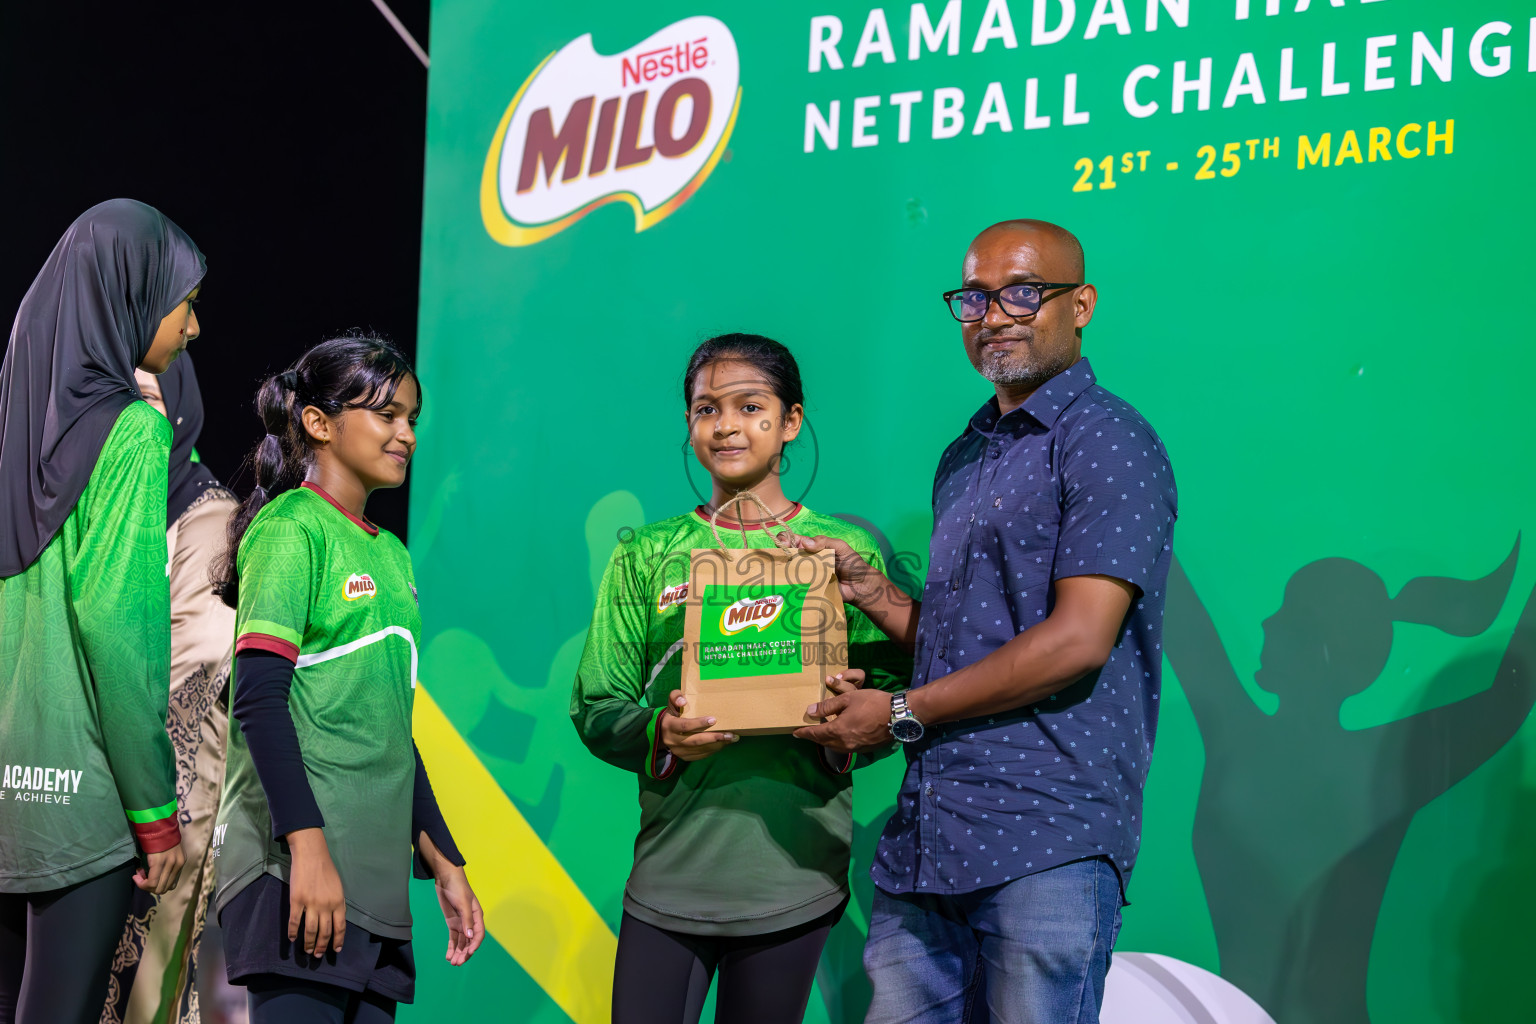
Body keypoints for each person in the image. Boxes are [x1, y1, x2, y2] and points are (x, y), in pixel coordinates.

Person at [794, 220, 1178, 1024]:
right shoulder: (965, 454)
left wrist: (897, 711)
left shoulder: (1109, 440)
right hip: (930, 841)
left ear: (1083, 304)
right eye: (974, 295)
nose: (994, 313)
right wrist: (881, 598)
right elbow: (969, 640)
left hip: (1047, 838)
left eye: (1023, 292)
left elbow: (1077, 640)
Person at [570, 334, 910, 1024]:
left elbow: (893, 705)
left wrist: (846, 730)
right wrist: (662, 732)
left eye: (749, 406)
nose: (724, 426)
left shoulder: (842, 555)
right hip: (670, 871)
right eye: (704, 410)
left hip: (795, 874)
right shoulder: (648, 555)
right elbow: (596, 704)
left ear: (790, 422)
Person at [210, 335, 483, 1023]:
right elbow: (259, 701)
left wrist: (443, 859)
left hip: (375, 885)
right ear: (319, 423)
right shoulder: (289, 528)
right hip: (298, 874)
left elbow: (389, 727)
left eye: (413, 419)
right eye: (387, 414)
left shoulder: (391, 555)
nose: (406, 434)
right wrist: (308, 851)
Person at [0, 199, 202, 1023]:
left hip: (15, 780)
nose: (194, 326)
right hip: (86, 791)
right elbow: (120, 640)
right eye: (183, 301)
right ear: (129, 297)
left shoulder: (20, 432)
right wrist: (156, 815)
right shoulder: (131, 435)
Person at [103, 357, 239, 1024]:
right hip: (66, 809)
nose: (128, 416)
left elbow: (192, 699)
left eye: (147, 396)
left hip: (158, 818)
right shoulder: (88, 507)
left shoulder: (207, 521)